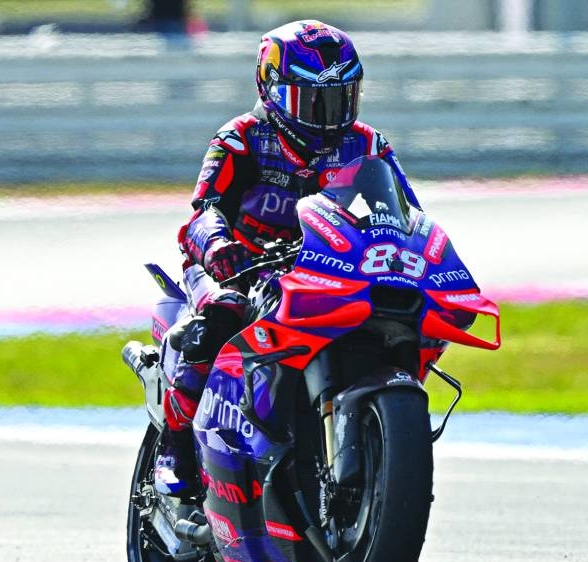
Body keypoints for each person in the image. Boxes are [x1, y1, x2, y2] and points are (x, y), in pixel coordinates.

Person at [154, 19, 422, 497]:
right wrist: (220, 249)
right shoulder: (241, 137)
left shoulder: (367, 143)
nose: (327, 115)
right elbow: (203, 210)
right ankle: (173, 449)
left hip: (324, 268)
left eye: (341, 98)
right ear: (273, 89)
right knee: (221, 314)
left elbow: (405, 213)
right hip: (238, 267)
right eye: (312, 100)